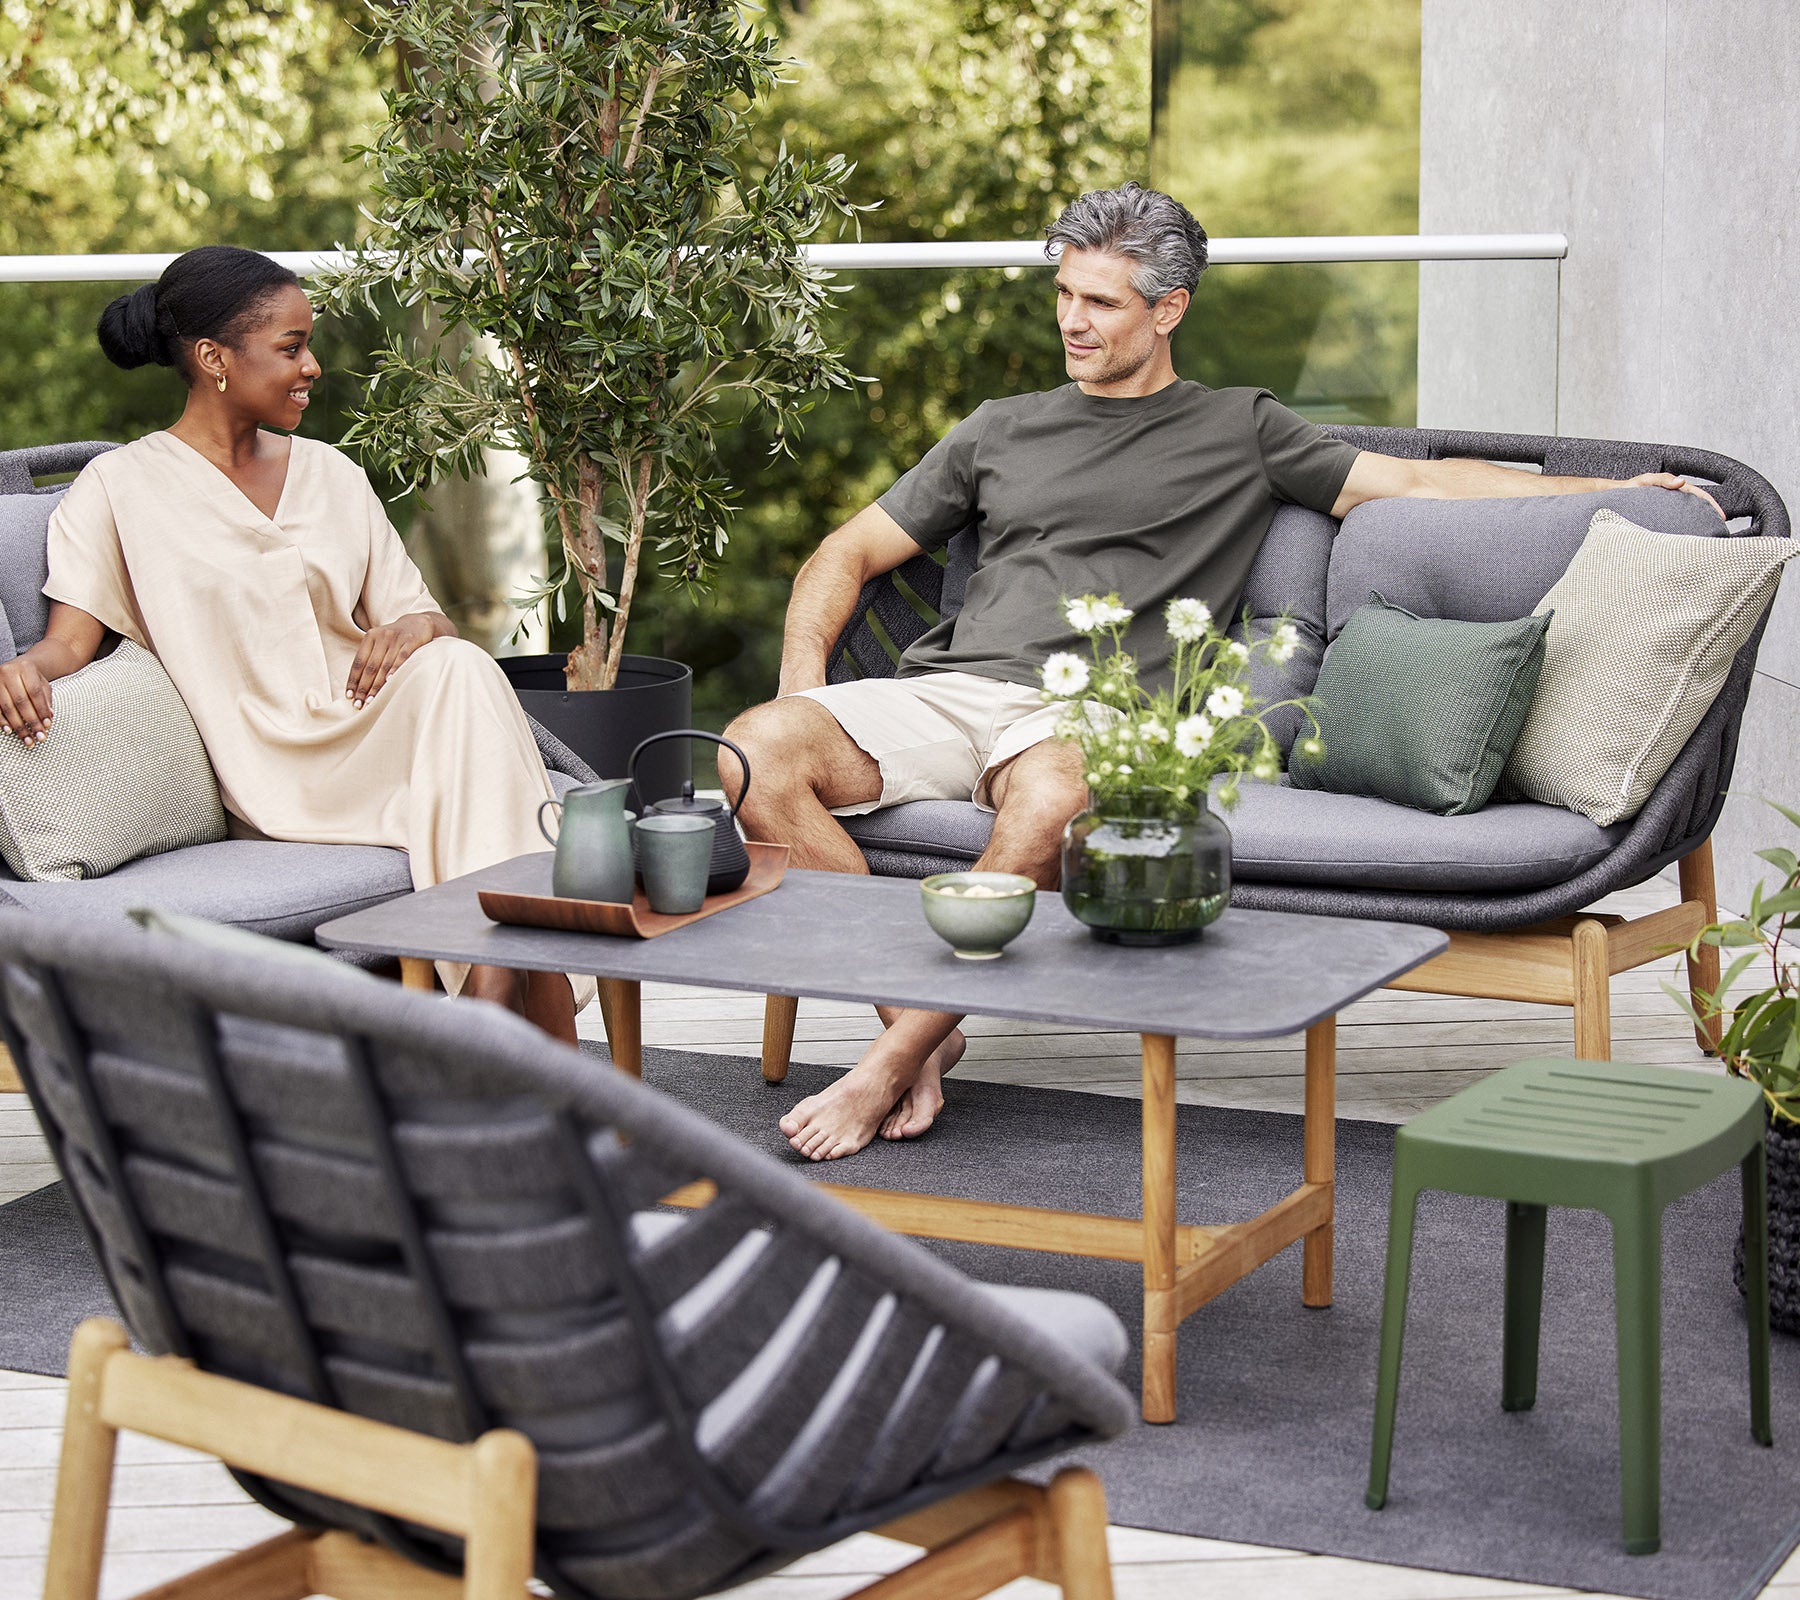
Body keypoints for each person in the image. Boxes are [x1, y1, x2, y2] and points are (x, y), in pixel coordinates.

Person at [723, 181, 1725, 1163]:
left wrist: (1611, 487)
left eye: (1101, 301)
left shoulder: (1241, 428)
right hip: (951, 690)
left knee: (1048, 804)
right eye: (1065, 293)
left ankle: (885, 1060)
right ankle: (920, 1033)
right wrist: (806, 689)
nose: (1072, 320)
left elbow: (1421, 481)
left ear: (1169, 310)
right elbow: (840, 558)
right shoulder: (1001, 425)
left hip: (1092, 711)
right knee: (752, 752)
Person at [0, 245, 583, 1040]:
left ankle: (488, 1006)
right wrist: (22, 667)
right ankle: (532, 1021)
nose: (312, 366)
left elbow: (424, 619)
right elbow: (69, 642)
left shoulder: (331, 472)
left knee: (456, 664)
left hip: (371, 726)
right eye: (290, 347)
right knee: (493, 751)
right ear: (213, 358)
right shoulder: (120, 487)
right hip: (267, 765)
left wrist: (415, 627)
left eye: (309, 344)